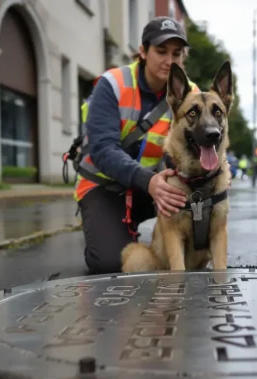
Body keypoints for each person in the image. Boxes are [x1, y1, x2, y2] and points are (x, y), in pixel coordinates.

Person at [72, 16, 200, 274]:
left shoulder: (191, 94)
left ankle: (172, 245)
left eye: (177, 53)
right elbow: (103, 150)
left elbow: (199, 145)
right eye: (161, 51)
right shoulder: (113, 84)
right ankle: (111, 229)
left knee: (199, 212)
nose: (170, 60)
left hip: (153, 186)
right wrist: (149, 182)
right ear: (142, 51)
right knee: (108, 263)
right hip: (103, 185)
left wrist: (217, 170)